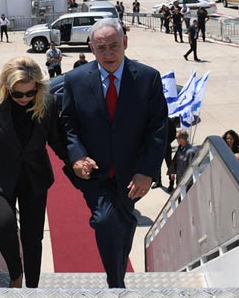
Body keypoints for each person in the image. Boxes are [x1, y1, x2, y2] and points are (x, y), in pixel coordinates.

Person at [61, 18, 168, 288]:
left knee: (124, 221)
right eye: (101, 47)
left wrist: (147, 172)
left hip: (132, 174)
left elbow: (158, 129)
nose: (108, 53)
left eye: (114, 46)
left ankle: (117, 276)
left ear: (125, 43)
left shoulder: (147, 78)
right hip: (95, 172)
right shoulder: (75, 80)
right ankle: (116, 284)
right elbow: (68, 123)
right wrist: (76, 156)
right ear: (91, 48)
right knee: (106, 220)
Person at [0, 56, 68, 288]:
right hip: (0, 177)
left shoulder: (48, 103)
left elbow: (57, 141)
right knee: (4, 226)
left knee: (33, 237)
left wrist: (76, 160)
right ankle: (16, 275)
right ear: (7, 88)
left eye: (30, 93)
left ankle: (33, 286)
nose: (25, 98)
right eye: (18, 94)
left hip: (34, 178)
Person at [153, 117, 177, 190]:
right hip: (157, 147)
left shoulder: (169, 121)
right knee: (157, 164)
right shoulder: (155, 119)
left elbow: (173, 134)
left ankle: (171, 184)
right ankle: (158, 181)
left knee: (169, 165)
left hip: (166, 147)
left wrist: (166, 142)